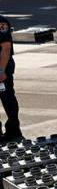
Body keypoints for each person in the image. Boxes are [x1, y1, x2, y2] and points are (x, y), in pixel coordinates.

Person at [0, 14, 21, 142]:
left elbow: (6, 48)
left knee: (7, 99)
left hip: (2, 67)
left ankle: (13, 132)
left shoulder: (1, 22)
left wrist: (1, 70)